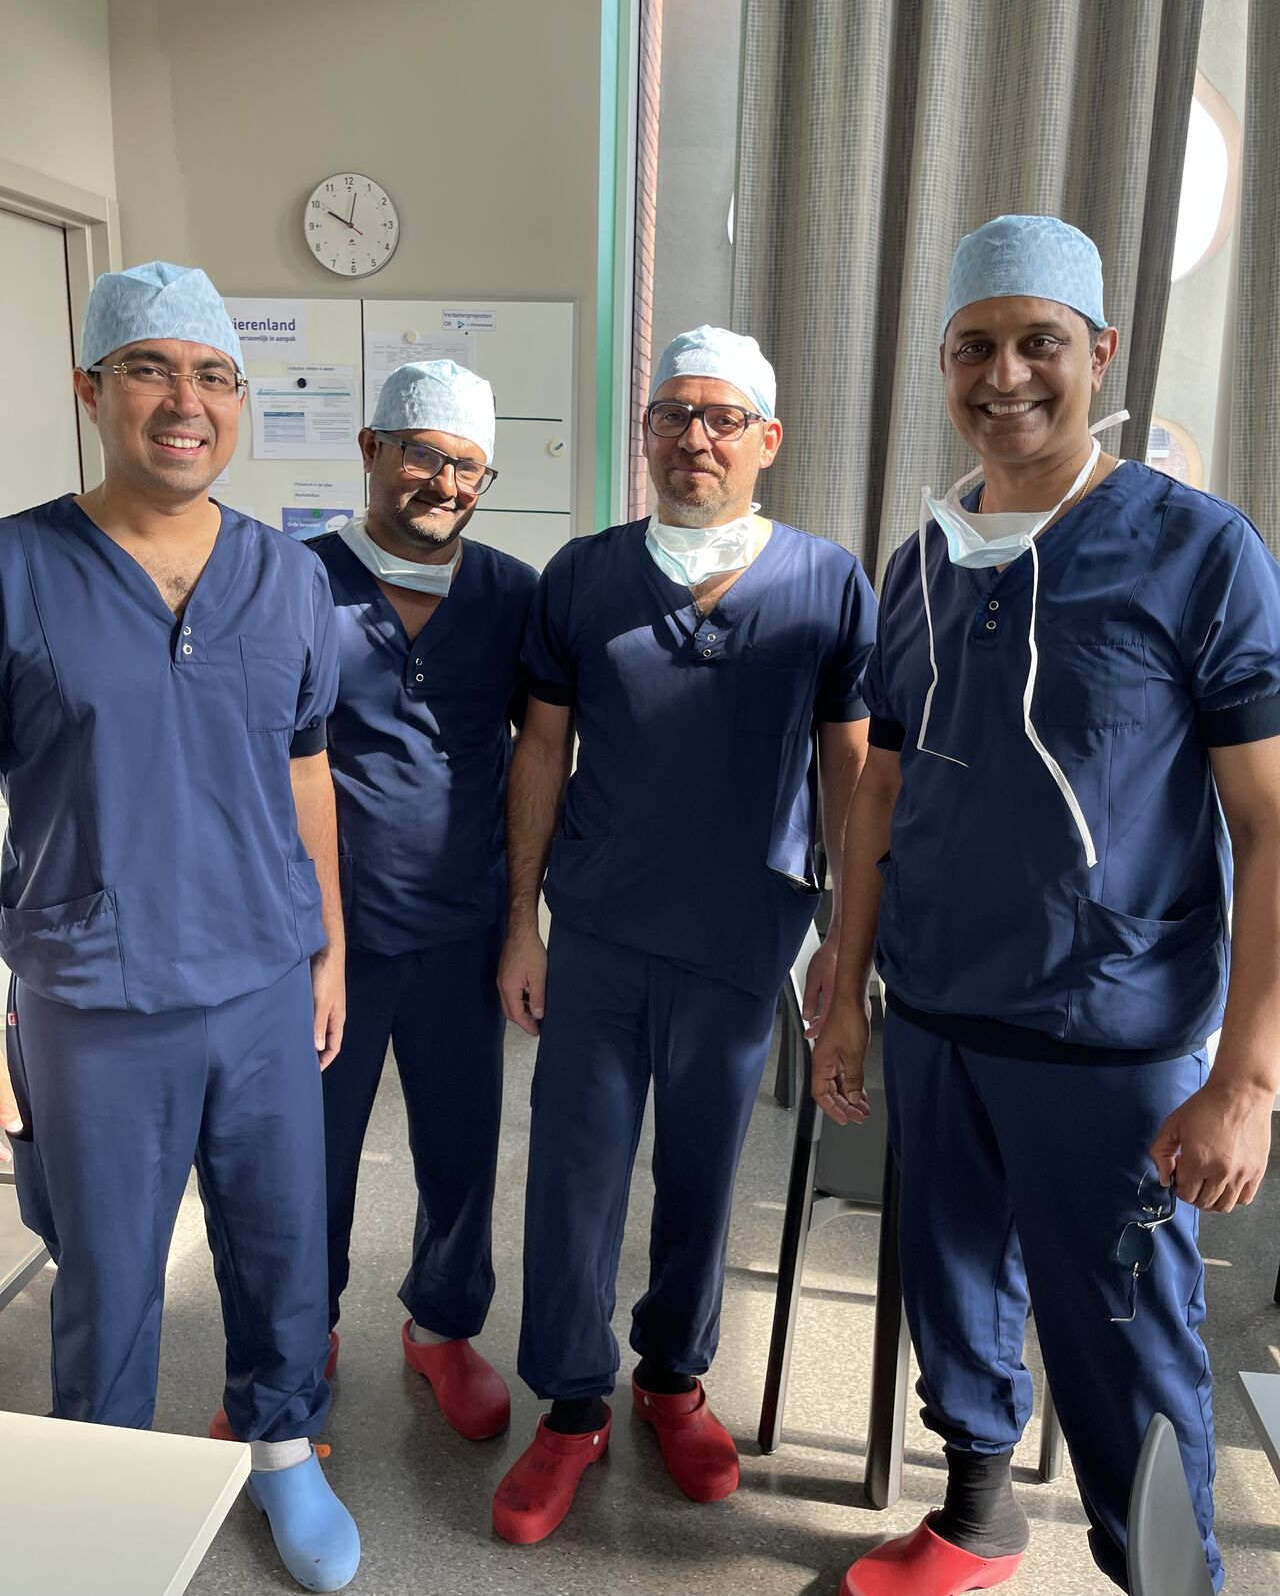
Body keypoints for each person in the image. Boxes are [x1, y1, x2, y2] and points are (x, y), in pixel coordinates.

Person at [813, 215, 1280, 1596]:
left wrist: (1247, 1080)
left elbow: (1268, 822)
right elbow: (882, 785)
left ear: (1101, 353)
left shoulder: (1195, 553)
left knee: (1125, 1346)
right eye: (975, 347)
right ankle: (975, 1517)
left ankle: (1171, 1584)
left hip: (1107, 1037)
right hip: (938, 1008)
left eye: (1039, 343)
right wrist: (847, 987)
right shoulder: (922, 560)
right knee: (951, 1284)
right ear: (942, 364)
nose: (1004, 374)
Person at [0, 262, 360, 1592]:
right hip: (90, 994)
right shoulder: (16, 566)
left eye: (212, 375)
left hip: (262, 976)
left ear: (238, 401)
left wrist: (327, 943)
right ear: (91, 389)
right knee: (107, 1273)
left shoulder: (287, 576)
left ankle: (281, 1447)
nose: (183, 401)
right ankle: (100, 1489)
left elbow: (307, 764)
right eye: (148, 368)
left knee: (280, 1241)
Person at [491, 325, 878, 1544]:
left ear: (767, 440)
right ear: (646, 432)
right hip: (600, 927)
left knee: (705, 1174)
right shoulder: (583, 577)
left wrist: (844, 944)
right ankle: (568, 1403)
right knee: (574, 1171)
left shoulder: (827, 583)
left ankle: (669, 1378)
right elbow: (540, 749)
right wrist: (521, 923)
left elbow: (850, 770)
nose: (693, 437)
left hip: (738, 934)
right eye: (671, 415)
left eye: (721, 418)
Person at [308, 361, 536, 1438]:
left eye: (467, 466)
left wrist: (523, 922)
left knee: (459, 1142)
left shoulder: (512, 595)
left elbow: (541, 753)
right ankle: (298, 1331)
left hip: (460, 926)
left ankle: (442, 1326)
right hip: (325, 939)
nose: (443, 482)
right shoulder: (296, 582)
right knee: (310, 1151)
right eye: (422, 454)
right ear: (370, 449)